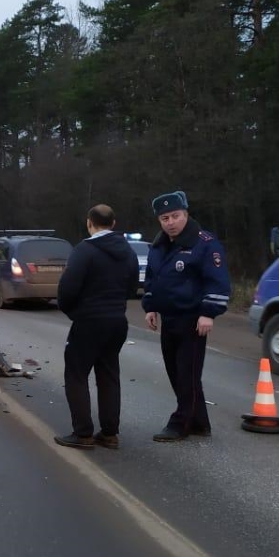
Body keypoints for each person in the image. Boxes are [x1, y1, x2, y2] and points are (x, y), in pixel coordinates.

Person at [142, 190, 231, 442]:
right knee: (176, 372)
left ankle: (180, 423)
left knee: (186, 373)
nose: (170, 222)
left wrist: (208, 313)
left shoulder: (204, 243)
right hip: (169, 318)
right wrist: (150, 306)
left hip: (193, 319)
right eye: (164, 218)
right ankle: (199, 421)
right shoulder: (160, 245)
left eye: (175, 216)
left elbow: (217, 282)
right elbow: (153, 279)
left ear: (186, 214)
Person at [53, 205, 139, 450]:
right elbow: (133, 287)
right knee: (109, 375)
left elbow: (67, 288)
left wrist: (72, 312)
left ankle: (83, 434)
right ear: (113, 223)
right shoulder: (129, 252)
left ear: (89, 223)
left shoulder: (85, 250)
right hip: (117, 322)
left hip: (89, 321)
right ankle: (110, 433)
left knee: (76, 375)